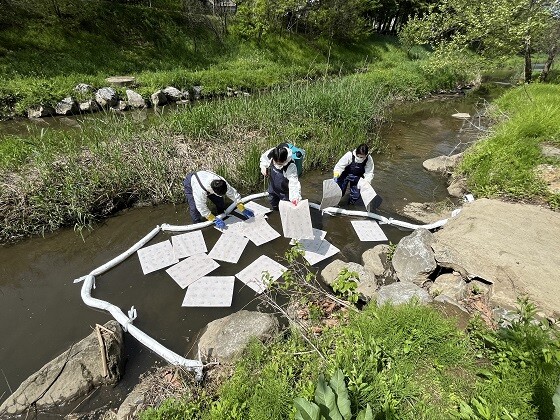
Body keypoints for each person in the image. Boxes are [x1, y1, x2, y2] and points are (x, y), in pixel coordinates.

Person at [183, 170, 254, 229]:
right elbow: (201, 206)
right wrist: (213, 219)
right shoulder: (200, 191)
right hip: (191, 183)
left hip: (204, 177)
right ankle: (197, 224)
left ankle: (221, 214)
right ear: (214, 192)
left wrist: (241, 207)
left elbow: (233, 193)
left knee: (220, 202)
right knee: (195, 209)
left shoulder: (222, 182)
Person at [259, 143, 302, 210]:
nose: (277, 165)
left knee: (285, 209)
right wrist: (263, 167)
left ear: (285, 160)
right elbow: (264, 159)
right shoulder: (272, 153)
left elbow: (293, 183)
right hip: (273, 188)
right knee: (273, 203)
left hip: (284, 192)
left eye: (280, 163)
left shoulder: (290, 166)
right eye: (276, 162)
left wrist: (295, 198)